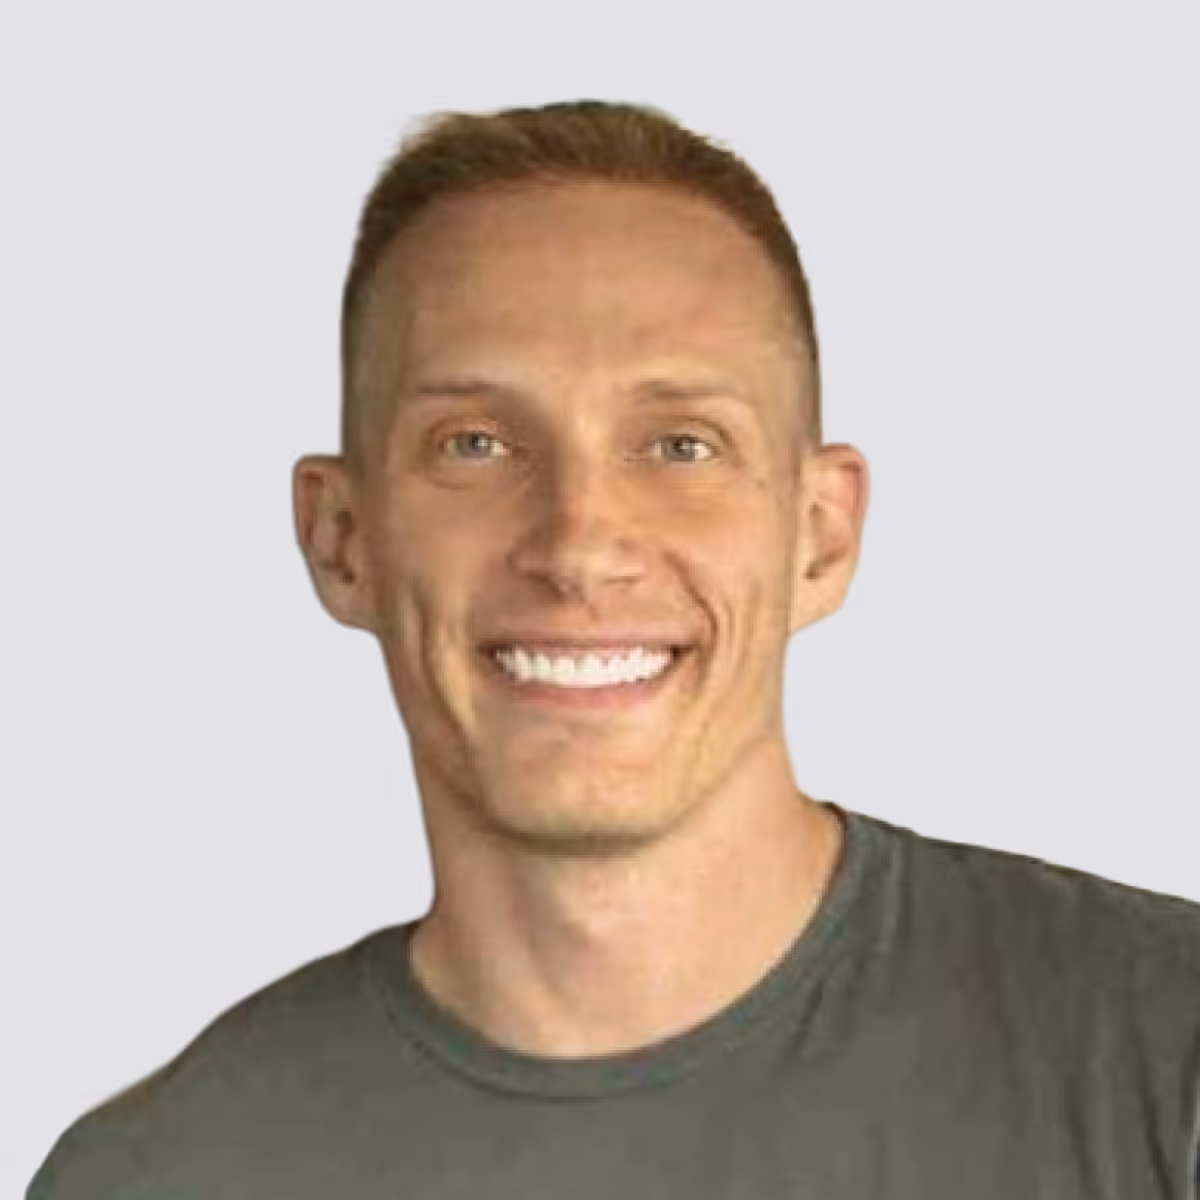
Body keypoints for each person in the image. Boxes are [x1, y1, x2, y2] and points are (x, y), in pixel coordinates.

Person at [29, 100, 1200, 1199]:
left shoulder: (1166, 1058)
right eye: (477, 442)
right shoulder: (164, 1175)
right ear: (342, 541)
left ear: (820, 535)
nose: (581, 544)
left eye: (681, 445)